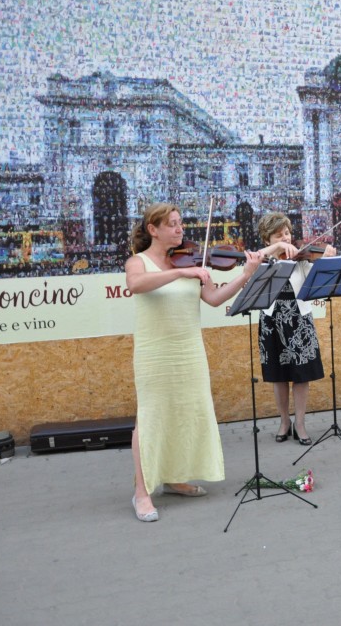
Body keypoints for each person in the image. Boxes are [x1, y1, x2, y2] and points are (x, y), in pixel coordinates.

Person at [125, 203, 263, 522]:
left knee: (185, 411)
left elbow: (214, 299)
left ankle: (173, 479)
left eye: (180, 223)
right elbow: (136, 285)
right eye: (171, 224)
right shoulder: (139, 262)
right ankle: (142, 492)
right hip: (155, 351)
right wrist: (182, 272)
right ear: (153, 229)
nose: (180, 229)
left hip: (189, 349)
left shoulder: (193, 259)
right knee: (150, 417)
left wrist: (246, 274)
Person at [255, 212, 335, 445]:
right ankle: (284, 422)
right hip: (272, 320)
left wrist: (326, 259)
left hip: (299, 319)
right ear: (266, 239)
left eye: (287, 233)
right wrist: (277, 249)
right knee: (278, 376)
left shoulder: (301, 258)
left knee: (301, 375)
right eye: (278, 236)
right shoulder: (263, 259)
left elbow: (318, 281)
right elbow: (256, 260)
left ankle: (299, 423)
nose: (286, 239)